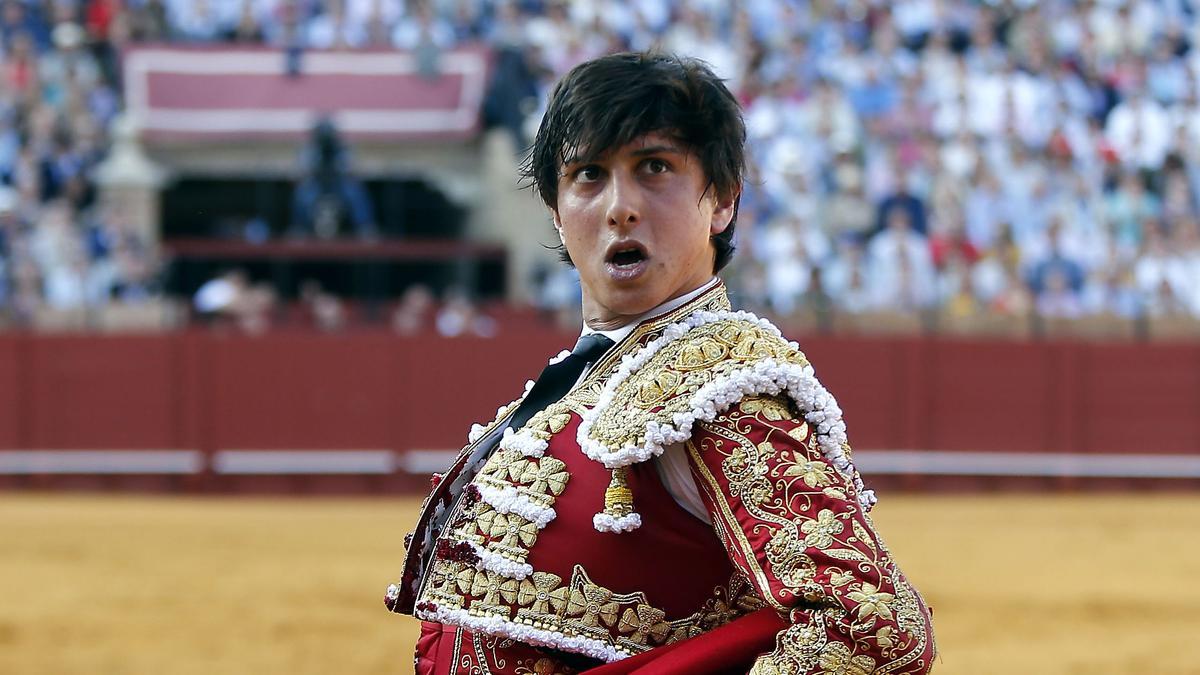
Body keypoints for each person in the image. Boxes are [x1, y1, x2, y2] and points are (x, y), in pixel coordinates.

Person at [385, 52, 936, 675]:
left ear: (721, 202)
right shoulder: (579, 383)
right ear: (557, 213)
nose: (620, 206)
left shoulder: (718, 392)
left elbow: (873, 629)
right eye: (588, 175)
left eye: (655, 168)